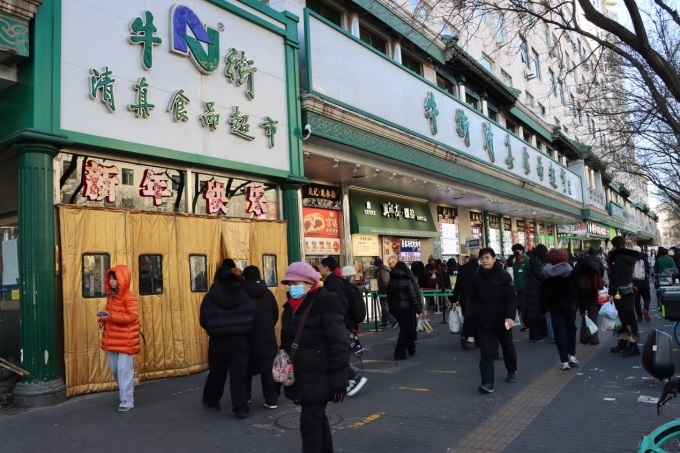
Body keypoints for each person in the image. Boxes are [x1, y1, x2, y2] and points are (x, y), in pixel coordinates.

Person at [279, 262, 349, 453]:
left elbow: (339, 344)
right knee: (317, 418)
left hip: (321, 374)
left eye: (296, 283)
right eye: (289, 284)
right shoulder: (290, 308)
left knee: (309, 422)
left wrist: (339, 381)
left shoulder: (326, 304)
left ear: (311, 283)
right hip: (301, 374)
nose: (292, 288)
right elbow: (286, 342)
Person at [200, 267, 256, 418]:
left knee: (217, 372)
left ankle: (212, 401)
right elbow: (252, 313)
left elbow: (204, 318)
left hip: (219, 340)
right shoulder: (242, 294)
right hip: (240, 340)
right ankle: (240, 408)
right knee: (239, 375)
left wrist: (214, 329)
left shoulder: (211, 295)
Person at [470, 248, 518, 394]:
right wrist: (473, 314)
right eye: (482, 258)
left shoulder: (503, 275)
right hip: (483, 321)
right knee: (486, 352)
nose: (484, 261)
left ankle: (511, 370)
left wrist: (510, 316)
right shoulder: (477, 276)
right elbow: (472, 297)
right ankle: (487, 382)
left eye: (487, 258)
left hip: (502, 320)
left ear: (494, 259)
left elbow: (511, 297)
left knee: (507, 347)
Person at [98, 265, 140, 412]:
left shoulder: (129, 297)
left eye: (115, 279)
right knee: (115, 369)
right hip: (112, 338)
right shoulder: (111, 296)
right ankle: (129, 384)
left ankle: (127, 401)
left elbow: (133, 317)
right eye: (110, 279)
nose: (111, 281)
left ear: (122, 280)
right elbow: (109, 312)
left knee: (124, 370)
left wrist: (110, 317)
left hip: (126, 339)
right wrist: (102, 320)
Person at [242, 265, 280, 410]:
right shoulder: (268, 293)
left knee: (246, 369)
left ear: (244, 277)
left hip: (248, 337)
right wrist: (268, 326)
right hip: (267, 337)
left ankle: (245, 397)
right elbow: (275, 313)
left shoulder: (242, 293)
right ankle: (271, 400)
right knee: (268, 370)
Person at [540, 248, 585, 370]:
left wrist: (543, 309)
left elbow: (543, 293)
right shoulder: (570, 270)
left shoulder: (546, 273)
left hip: (554, 306)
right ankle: (572, 356)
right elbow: (578, 290)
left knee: (559, 332)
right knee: (571, 329)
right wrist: (583, 307)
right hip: (570, 306)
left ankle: (564, 361)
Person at [607, 236, 641, 357]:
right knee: (625, 317)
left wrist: (610, 293)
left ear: (614, 245)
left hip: (620, 292)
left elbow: (615, 277)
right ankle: (625, 341)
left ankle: (633, 344)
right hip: (628, 290)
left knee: (626, 319)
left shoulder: (617, 258)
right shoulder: (630, 257)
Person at [386, 260, 423, 360]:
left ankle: (411, 349)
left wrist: (391, 311)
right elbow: (412, 297)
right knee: (405, 330)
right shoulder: (407, 280)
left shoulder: (391, 281)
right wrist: (419, 310)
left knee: (406, 329)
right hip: (406, 309)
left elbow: (389, 298)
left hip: (395, 309)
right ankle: (399, 353)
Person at [341, 265, 368, 397]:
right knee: (343, 352)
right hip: (349, 324)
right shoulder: (353, 289)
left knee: (341, 353)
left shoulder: (341, 289)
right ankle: (349, 379)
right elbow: (358, 309)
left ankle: (352, 377)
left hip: (343, 324)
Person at [574, 253, 605, 345]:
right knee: (593, 317)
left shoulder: (576, 273)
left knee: (584, 317)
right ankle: (594, 339)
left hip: (581, 299)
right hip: (593, 297)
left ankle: (584, 338)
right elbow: (601, 285)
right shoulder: (594, 271)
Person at [452, 249, 480, 350]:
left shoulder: (462, 268)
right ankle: (477, 341)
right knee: (477, 320)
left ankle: (465, 335)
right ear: (478, 258)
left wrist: (454, 298)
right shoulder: (479, 268)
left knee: (468, 318)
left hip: (464, 298)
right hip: (476, 298)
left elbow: (458, 284)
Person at [524, 244, 548, 342]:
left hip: (532, 288)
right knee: (536, 313)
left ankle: (538, 334)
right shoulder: (536, 261)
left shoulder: (533, 260)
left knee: (535, 313)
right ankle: (536, 335)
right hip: (535, 289)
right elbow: (539, 275)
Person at [512, 244, 530, 331]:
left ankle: (527, 325)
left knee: (524, 306)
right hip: (518, 287)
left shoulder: (526, 260)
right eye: (514, 250)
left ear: (521, 250)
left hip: (524, 287)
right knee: (520, 306)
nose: (515, 252)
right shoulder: (516, 261)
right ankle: (526, 324)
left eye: (517, 250)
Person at [631, 246, 652, 323]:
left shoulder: (631, 259)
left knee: (636, 301)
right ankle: (645, 309)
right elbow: (648, 269)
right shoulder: (644, 258)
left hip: (635, 284)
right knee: (647, 298)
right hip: (644, 283)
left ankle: (639, 316)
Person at [374, 257, 393, 328]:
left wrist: (379, 289)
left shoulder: (381, 270)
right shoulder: (386, 269)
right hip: (388, 289)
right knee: (385, 305)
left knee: (384, 306)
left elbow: (383, 280)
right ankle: (385, 322)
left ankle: (392, 320)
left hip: (383, 290)